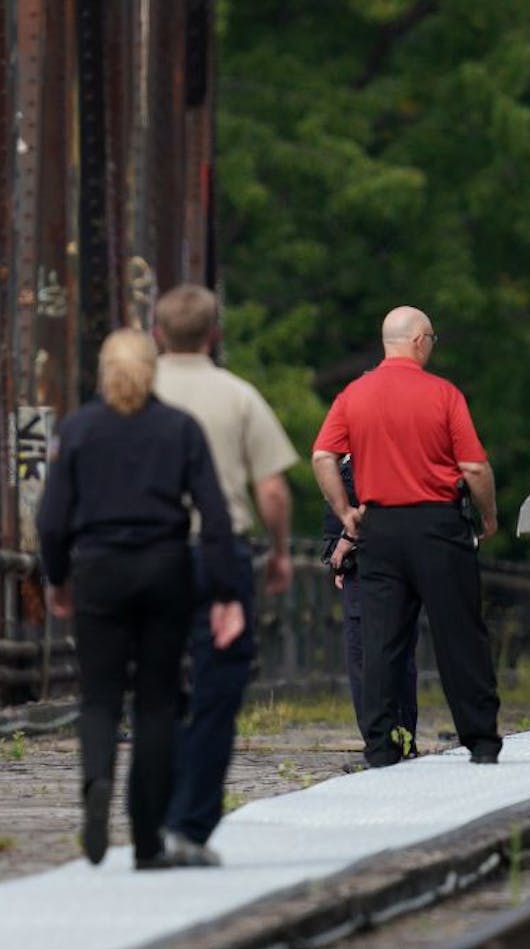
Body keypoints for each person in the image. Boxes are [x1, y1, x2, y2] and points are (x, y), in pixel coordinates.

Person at [37, 328, 243, 871]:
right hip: (164, 570)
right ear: (153, 371)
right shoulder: (180, 428)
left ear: (104, 371)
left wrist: (57, 577)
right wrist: (224, 591)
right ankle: (148, 840)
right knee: (158, 701)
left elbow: (52, 519)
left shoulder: (79, 429)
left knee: (99, 696)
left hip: (98, 572)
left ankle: (97, 779)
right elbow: (216, 518)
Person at [312, 306, 503, 769]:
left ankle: (381, 744)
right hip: (438, 525)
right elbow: (474, 467)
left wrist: (346, 513)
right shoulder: (443, 394)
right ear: (420, 340)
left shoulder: (353, 395)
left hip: (379, 530)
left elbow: (322, 455)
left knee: (381, 640)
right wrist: (488, 516)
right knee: (459, 633)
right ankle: (480, 739)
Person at [151, 283, 298, 866]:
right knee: (219, 686)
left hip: (146, 556)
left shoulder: (134, 394)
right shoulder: (238, 396)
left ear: (157, 333)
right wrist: (281, 550)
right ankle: (190, 823)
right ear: (214, 334)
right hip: (218, 557)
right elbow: (271, 487)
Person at [321, 455, 417, 742]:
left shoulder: (376, 435)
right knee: (378, 650)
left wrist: (349, 538)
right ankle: (393, 738)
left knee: (372, 652)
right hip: (365, 560)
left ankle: (387, 740)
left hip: (376, 556)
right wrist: (338, 557)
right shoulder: (348, 445)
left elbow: (384, 490)